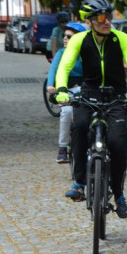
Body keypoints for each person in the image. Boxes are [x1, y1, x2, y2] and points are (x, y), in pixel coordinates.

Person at [54, 0, 127, 218]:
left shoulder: (121, 38)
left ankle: (120, 194)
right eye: (102, 18)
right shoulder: (79, 40)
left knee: (117, 144)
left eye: (109, 16)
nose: (108, 22)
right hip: (89, 94)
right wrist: (61, 89)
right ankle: (78, 182)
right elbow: (64, 65)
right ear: (90, 21)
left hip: (115, 96)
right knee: (79, 128)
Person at [46, 21, 87, 164]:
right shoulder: (61, 53)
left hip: (84, 89)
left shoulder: (85, 53)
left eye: (69, 37)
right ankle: (63, 147)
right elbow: (53, 70)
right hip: (67, 89)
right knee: (67, 112)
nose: (65, 39)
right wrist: (51, 85)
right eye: (64, 36)